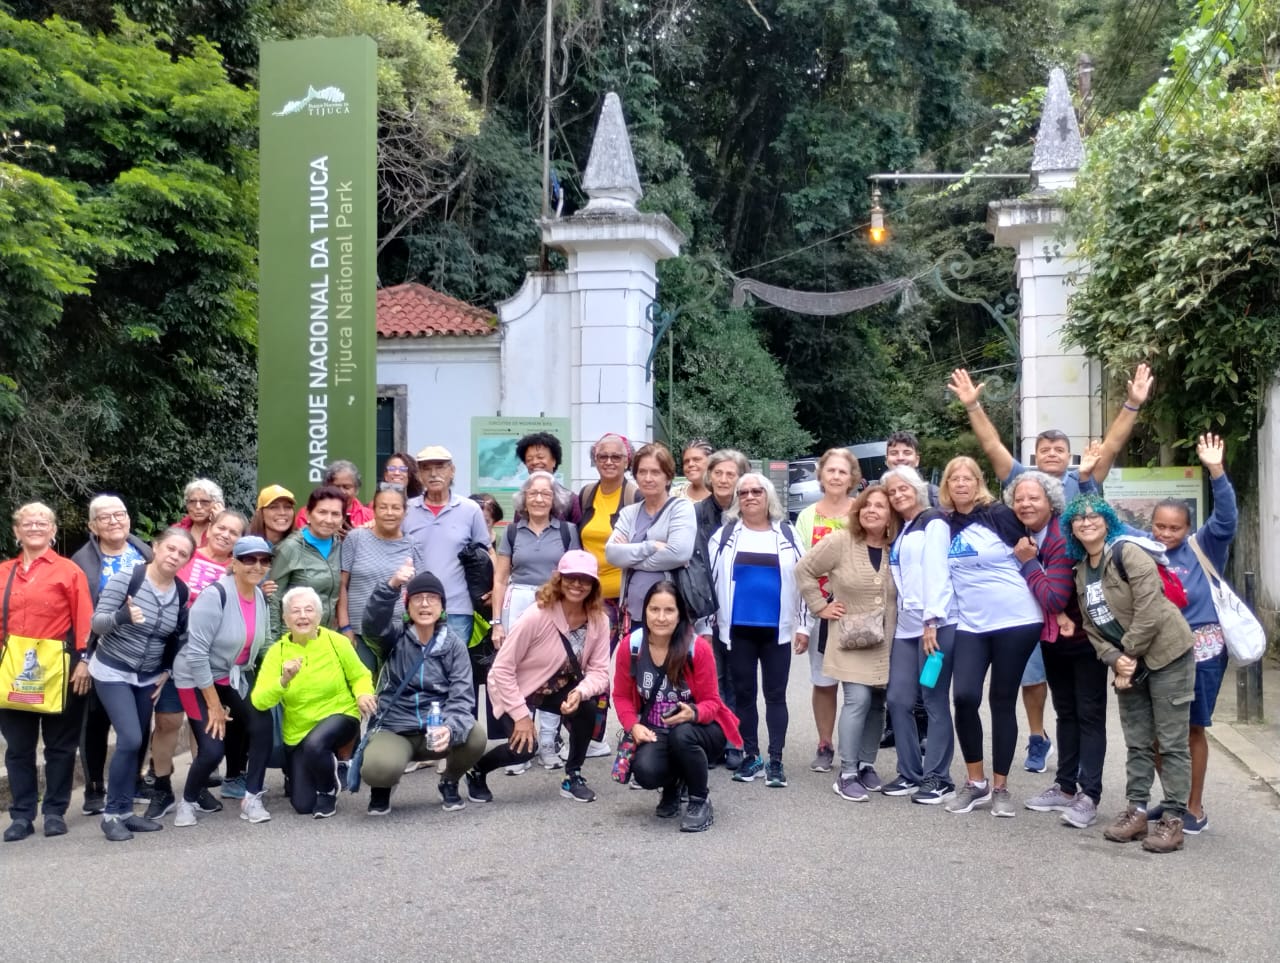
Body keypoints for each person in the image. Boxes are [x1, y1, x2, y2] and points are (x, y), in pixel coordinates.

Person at [1064, 495, 1196, 853]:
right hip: (1127, 663)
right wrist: (1113, 658)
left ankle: (1173, 820)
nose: (1087, 521)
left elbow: (1150, 608)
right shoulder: (1080, 572)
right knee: (1137, 741)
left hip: (1167, 655)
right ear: (1071, 529)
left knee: (1170, 743)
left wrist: (1128, 655)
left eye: (1094, 516)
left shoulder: (1127, 553)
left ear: (1107, 522)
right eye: (1078, 518)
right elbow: (1091, 627)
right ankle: (1137, 811)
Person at [1135, 433, 1235, 834]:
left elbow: (1227, 518)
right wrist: (1088, 479)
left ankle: (1194, 806)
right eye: (1160, 526)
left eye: (1174, 527)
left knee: (1192, 727)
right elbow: (1102, 521)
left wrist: (1216, 471)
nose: (1165, 533)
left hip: (1203, 647)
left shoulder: (1203, 545)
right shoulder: (1143, 547)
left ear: (1188, 526)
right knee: (1159, 732)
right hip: (1159, 649)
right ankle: (1174, 798)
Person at [939, 456, 1044, 818]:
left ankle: (1000, 787)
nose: (962, 484)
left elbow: (1032, 552)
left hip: (1016, 619)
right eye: (955, 479)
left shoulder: (998, 515)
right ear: (947, 486)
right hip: (971, 623)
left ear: (978, 482)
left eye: (968, 478)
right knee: (965, 697)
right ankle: (975, 782)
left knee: (1002, 699)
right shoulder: (945, 524)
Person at [466, 552, 610, 805]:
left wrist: (580, 692)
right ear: (559, 580)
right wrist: (521, 716)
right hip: (518, 687)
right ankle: (477, 770)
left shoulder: (599, 620)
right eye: (571, 578)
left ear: (594, 585)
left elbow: (599, 672)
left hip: (561, 687)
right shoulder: (537, 615)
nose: (577, 584)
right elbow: (501, 669)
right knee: (522, 750)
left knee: (588, 709)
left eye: (585, 579)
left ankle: (573, 774)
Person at [1008, 471, 1108, 829]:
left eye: (1033, 498)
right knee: (1065, 714)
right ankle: (1066, 787)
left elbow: (1054, 596)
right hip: (1054, 640)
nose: (1025, 504)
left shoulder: (1060, 539)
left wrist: (1028, 564)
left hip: (1085, 642)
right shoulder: (1024, 535)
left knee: (1089, 715)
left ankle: (1089, 795)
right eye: (1019, 498)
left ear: (1051, 503)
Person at [88, 527, 194, 841]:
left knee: (139, 740)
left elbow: (175, 637)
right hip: (112, 670)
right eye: (170, 549)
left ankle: (125, 813)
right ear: (156, 547)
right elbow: (97, 623)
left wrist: (167, 671)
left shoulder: (181, 592)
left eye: (182, 554)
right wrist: (122, 616)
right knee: (131, 738)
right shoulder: (127, 578)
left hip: (148, 676)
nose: (174, 556)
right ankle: (111, 815)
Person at [613, 581, 741, 832]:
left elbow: (713, 703)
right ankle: (672, 786)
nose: (661, 617)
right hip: (655, 729)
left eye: (669, 610)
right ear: (644, 612)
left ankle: (699, 799)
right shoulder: (631, 646)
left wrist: (693, 712)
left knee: (683, 735)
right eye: (654, 610)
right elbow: (620, 696)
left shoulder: (697, 649)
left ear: (680, 613)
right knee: (645, 772)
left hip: (702, 729)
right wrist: (634, 726)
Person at [795, 485, 896, 801]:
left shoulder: (898, 547)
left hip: (887, 639)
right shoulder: (841, 542)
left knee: (878, 702)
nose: (871, 510)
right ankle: (848, 771)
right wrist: (820, 605)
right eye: (866, 505)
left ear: (891, 514)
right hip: (850, 638)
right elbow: (804, 569)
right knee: (859, 699)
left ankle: (867, 764)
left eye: (880, 506)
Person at [359, 567, 488, 815]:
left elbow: (461, 699)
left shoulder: (454, 645)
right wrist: (392, 586)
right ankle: (382, 788)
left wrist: (450, 728)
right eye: (418, 598)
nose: (425, 604)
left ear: (442, 607)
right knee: (377, 769)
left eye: (433, 598)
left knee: (475, 736)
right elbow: (373, 625)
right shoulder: (393, 637)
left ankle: (449, 780)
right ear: (408, 607)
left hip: (436, 729)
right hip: (396, 728)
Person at [0, 503, 93, 842]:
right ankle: (22, 814)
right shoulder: (3, 572)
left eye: (42, 522)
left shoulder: (69, 571)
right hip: (13, 670)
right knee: (18, 747)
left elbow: (85, 618)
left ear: (53, 530)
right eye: (27, 523)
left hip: (60, 666)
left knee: (60, 745)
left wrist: (85, 660)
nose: (35, 527)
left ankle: (54, 810)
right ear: (16, 531)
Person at [708, 473, 803, 788]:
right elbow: (710, 583)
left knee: (776, 695)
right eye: (743, 492)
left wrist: (804, 624)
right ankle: (752, 756)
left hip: (776, 631)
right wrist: (706, 625)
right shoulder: (724, 536)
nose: (749, 496)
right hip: (737, 631)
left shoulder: (788, 534)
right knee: (745, 696)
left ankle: (776, 761)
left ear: (768, 496)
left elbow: (805, 581)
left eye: (756, 491)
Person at [171, 536, 274, 826]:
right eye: (249, 559)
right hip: (195, 677)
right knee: (213, 749)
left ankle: (252, 797)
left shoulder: (261, 597)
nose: (257, 566)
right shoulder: (215, 595)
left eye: (264, 560)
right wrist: (215, 706)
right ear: (234, 563)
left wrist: (285, 667)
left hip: (232, 676)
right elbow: (197, 654)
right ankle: (188, 802)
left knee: (262, 724)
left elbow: (263, 645)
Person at [251, 586, 377, 817]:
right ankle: (325, 766)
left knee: (315, 744)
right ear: (285, 618)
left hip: (340, 715)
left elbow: (360, 675)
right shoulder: (277, 652)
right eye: (295, 611)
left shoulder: (336, 642)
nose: (302, 616)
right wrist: (283, 680)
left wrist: (363, 694)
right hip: (299, 730)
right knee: (303, 805)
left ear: (319, 617)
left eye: (309, 610)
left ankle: (329, 790)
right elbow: (259, 700)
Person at [491, 470, 581, 770]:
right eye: (533, 493)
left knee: (555, 673)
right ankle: (520, 743)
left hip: (556, 603)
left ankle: (547, 742)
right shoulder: (513, 532)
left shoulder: (568, 531)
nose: (540, 498)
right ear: (524, 500)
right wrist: (497, 622)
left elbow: (575, 576)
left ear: (554, 499)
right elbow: (500, 578)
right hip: (518, 603)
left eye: (546, 493)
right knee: (516, 671)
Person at [71, 494, 153, 816]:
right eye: (105, 517)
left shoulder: (144, 551)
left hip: (142, 651)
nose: (114, 521)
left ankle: (133, 779)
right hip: (99, 650)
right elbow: (79, 612)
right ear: (93, 526)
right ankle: (94, 788)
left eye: (120, 514)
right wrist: (84, 656)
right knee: (95, 721)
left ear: (129, 519)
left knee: (139, 720)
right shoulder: (83, 561)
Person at [880, 465, 957, 803]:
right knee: (897, 699)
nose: (898, 495)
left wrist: (932, 621)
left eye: (903, 489)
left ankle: (938, 777)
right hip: (906, 629)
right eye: (893, 491)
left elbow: (938, 571)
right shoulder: (903, 527)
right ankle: (910, 773)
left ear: (918, 489)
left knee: (933, 699)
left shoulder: (934, 521)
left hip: (935, 627)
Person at [793, 447, 861, 774]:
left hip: (856, 609)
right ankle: (825, 743)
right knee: (823, 681)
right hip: (820, 609)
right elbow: (801, 567)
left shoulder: (861, 511)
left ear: (852, 479)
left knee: (857, 681)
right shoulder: (807, 517)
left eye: (842, 472)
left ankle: (855, 746)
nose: (835, 476)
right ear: (821, 475)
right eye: (830, 470)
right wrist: (806, 619)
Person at [691, 448, 750, 754]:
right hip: (705, 608)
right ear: (709, 476)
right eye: (719, 473)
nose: (724, 479)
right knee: (713, 675)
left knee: (738, 674)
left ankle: (736, 740)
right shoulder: (696, 512)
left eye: (731, 474)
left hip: (741, 606)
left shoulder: (750, 512)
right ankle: (715, 739)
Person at [402, 445, 492, 641]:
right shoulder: (406, 510)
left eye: (440, 467)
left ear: (452, 471)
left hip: (457, 607)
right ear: (419, 475)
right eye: (427, 468)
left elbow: (486, 552)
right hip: (416, 606)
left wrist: (493, 588)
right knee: (419, 668)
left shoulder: (470, 510)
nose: (434, 474)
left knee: (454, 668)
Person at [605, 442, 697, 627]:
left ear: (668, 477)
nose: (648, 478)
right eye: (642, 472)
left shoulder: (680, 508)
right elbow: (612, 554)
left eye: (655, 472)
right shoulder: (629, 513)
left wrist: (630, 557)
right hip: (634, 612)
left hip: (670, 615)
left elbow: (679, 554)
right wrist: (651, 546)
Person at [337, 484, 424, 674]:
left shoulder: (413, 545)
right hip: (358, 633)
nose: (389, 513)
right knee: (362, 693)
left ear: (404, 511)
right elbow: (342, 585)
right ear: (373, 509)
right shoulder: (356, 538)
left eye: (395, 507)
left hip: (400, 635)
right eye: (383, 507)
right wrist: (345, 628)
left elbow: (419, 592)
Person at [577, 432, 640, 650]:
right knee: (588, 659)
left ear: (627, 461)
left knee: (623, 661)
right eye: (602, 456)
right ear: (594, 460)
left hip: (624, 598)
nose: (609, 462)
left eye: (616, 457)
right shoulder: (586, 495)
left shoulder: (635, 496)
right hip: (590, 595)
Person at [267, 485, 346, 639]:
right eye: (322, 512)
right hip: (294, 639)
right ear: (309, 515)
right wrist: (274, 647)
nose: (328, 520)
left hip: (326, 638)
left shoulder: (340, 546)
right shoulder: (290, 548)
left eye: (335, 514)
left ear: (342, 519)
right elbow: (273, 599)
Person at [177, 509, 246, 603]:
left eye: (233, 533)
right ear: (209, 529)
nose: (225, 535)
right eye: (221, 528)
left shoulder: (238, 571)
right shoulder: (185, 554)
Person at [516, 430, 581, 522]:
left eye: (540, 457)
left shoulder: (570, 500)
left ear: (554, 461)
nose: (534, 462)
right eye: (529, 459)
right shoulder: (523, 497)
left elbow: (578, 533)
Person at [296, 459, 375, 532]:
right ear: (325, 487)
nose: (341, 492)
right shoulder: (308, 513)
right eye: (336, 487)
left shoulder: (370, 516)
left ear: (356, 489)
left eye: (347, 487)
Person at [884, 430, 939, 507]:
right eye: (894, 453)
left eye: (907, 453)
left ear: (917, 460)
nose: (900, 458)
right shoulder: (875, 495)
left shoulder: (935, 496)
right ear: (886, 461)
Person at [176, 478, 224, 548]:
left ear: (218, 505)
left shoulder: (226, 533)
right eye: (192, 501)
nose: (198, 506)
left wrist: (221, 520)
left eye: (205, 502)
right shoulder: (177, 529)